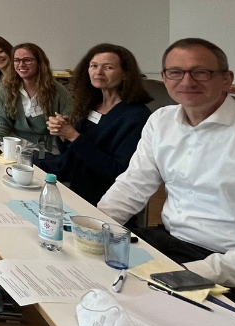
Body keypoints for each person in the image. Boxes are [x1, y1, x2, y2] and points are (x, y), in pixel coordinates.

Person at [98, 38, 235, 316]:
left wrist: (186, 274)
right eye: (176, 72)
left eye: (201, 72)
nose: (187, 80)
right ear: (164, 77)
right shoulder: (161, 120)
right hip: (168, 240)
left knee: (142, 313)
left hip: (228, 263)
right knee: (88, 274)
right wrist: (98, 227)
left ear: (226, 79)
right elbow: (132, 185)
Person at [38, 44, 152, 206]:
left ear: (125, 74)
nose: (98, 72)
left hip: (101, 199)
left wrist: (73, 136)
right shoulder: (90, 104)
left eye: (108, 67)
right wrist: (63, 134)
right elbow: (71, 154)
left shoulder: (137, 116)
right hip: (70, 184)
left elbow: (117, 170)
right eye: (94, 66)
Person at [0, 43, 72, 154]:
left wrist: (61, 125)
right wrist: (1, 146)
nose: (21, 64)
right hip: (14, 147)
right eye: (17, 60)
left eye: (27, 60)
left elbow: (70, 123)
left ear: (39, 63)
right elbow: (0, 122)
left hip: (48, 151)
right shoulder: (7, 87)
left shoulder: (57, 91)